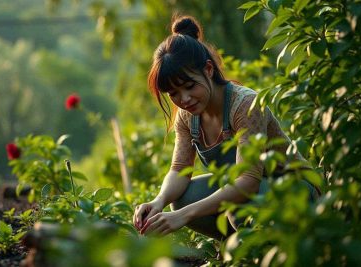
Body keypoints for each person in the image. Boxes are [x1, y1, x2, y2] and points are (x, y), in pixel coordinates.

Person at [133, 15, 319, 240]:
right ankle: (237, 245)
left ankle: (271, 247)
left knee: (238, 211)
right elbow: (180, 169)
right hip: (254, 194)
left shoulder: (246, 105)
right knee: (181, 198)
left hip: (294, 191)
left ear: (209, 70)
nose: (184, 99)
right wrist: (157, 202)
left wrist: (184, 216)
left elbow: (248, 182)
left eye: (190, 86)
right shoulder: (188, 115)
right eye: (174, 94)